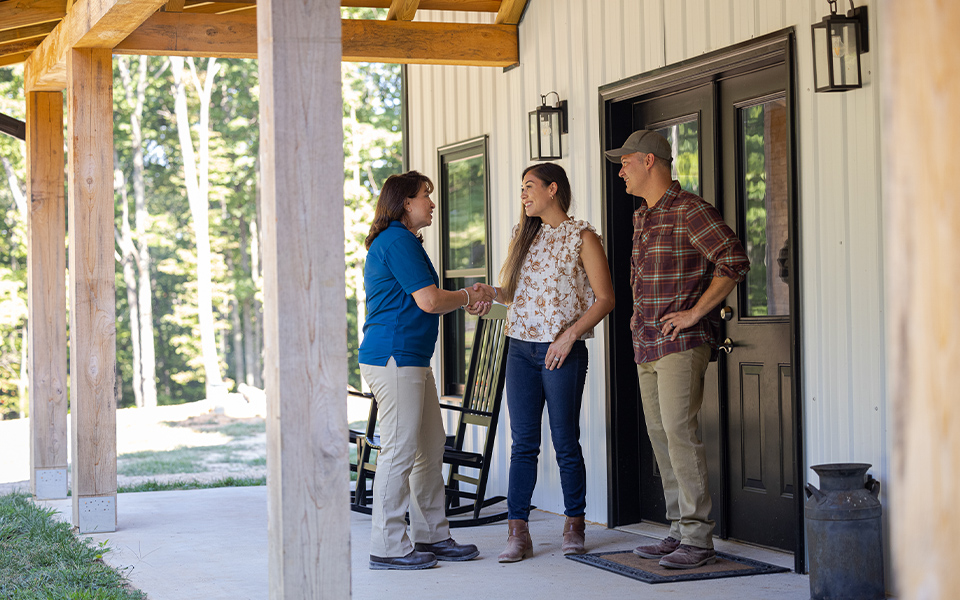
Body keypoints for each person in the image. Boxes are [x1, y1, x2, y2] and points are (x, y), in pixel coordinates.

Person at [605, 130, 750, 569]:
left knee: (680, 435)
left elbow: (733, 259)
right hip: (645, 342)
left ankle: (699, 539)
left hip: (681, 343)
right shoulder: (643, 216)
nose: (621, 170)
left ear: (650, 160)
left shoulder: (691, 211)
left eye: (626, 161)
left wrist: (695, 312)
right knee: (660, 435)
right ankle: (677, 529)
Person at [472, 163, 614, 563]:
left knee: (565, 440)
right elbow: (515, 294)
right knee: (524, 444)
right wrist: (488, 293)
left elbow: (605, 299)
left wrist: (569, 336)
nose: (523, 194)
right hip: (519, 349)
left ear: (554, 189)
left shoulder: (582, 237)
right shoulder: (525, 235)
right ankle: (518, 532)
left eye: (529, 186)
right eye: (521, 188)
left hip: (561, 352)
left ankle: (575, 524)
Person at [359, 171, 494, 570]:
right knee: (400, 451)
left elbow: (431, 299)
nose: (432, 204)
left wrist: (467, 296)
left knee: (429, 446)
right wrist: (470, 294)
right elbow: (430, 301)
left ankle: (431, 535)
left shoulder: (403, 241)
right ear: (405, 203)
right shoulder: (396, 240)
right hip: (395, 358)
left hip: (411, 359)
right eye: (425, 197)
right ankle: (386, 546)